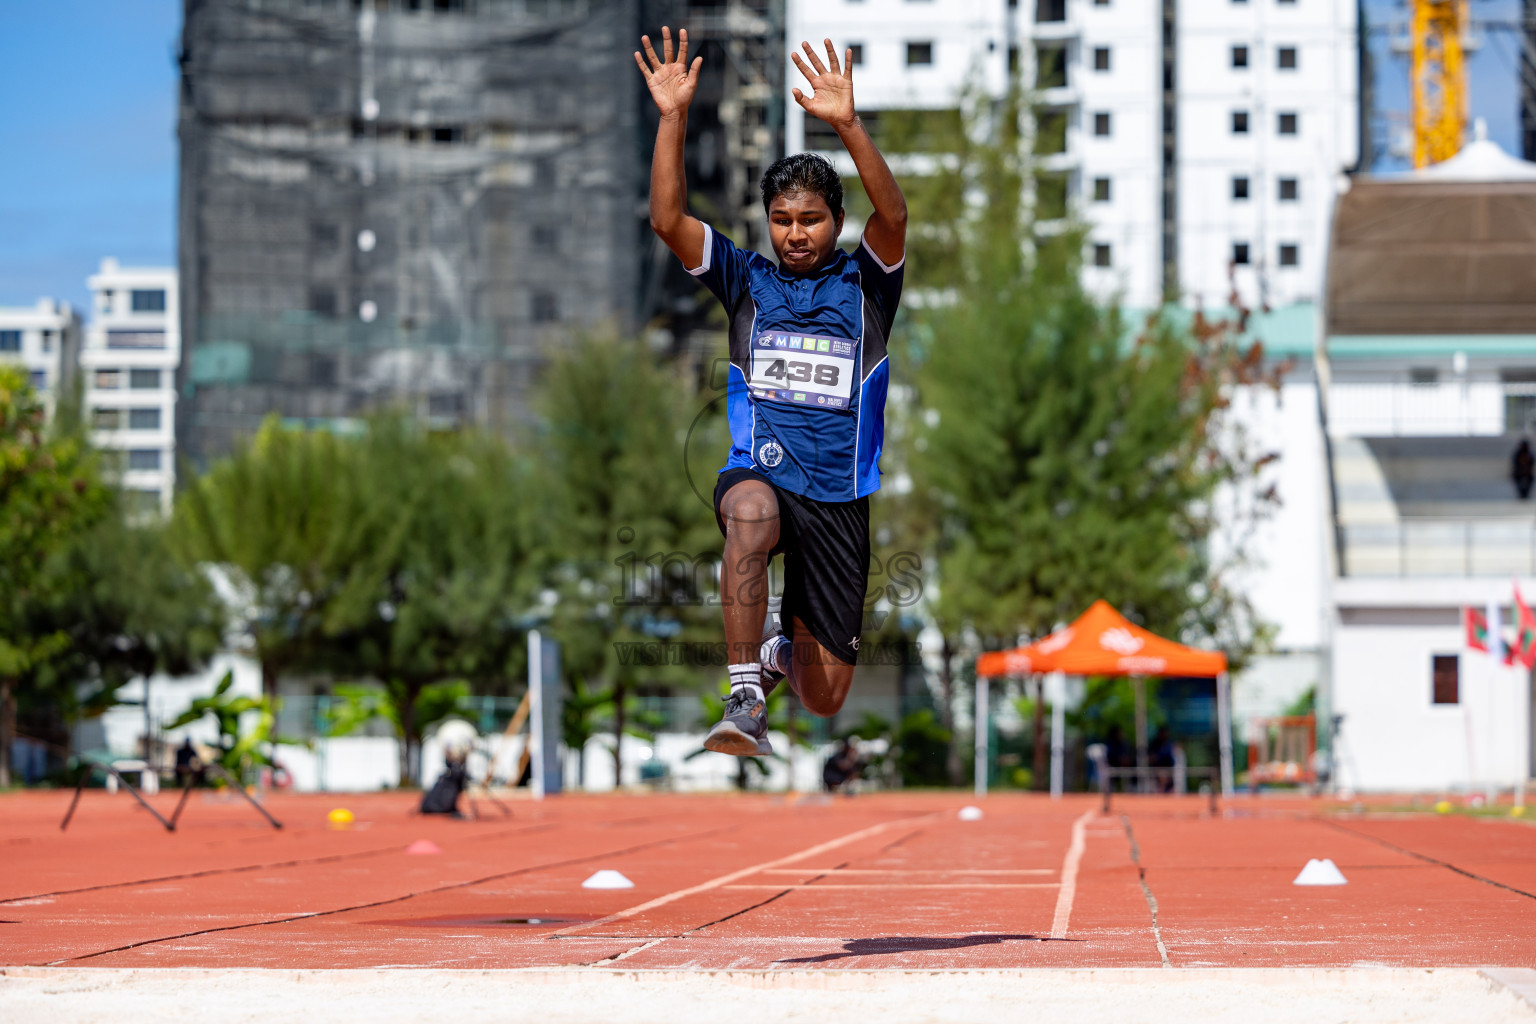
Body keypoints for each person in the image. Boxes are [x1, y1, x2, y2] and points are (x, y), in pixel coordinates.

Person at [637, 28, 907, 757]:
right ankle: (745, 693)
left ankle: (785, 655)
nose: (794, 233)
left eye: (810, 219)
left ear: (836, 223)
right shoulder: (745, 280)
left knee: (825, 699)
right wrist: (673, 117)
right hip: (763, 470)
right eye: (782, 220)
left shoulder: (867, 287)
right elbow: (667, 220)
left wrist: (847, 124)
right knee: (748, 515)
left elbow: (896, 218)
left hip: (840, 498)